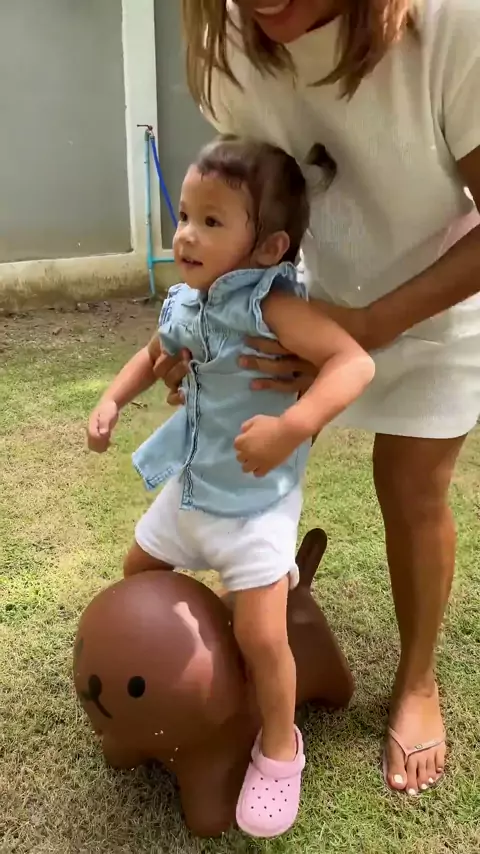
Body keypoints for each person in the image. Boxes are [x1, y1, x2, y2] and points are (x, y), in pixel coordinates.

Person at [158, 0, 480, 798]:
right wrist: (206, 334)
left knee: (412, 486)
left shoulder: (454, 25)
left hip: (435, 300)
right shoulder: (227, 39)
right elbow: (247, 206)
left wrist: (367, 326)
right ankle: (264, 610)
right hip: (298, 308)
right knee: (249, 461)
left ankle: (417, 680)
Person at [87, 137, 375, 838]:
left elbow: (353, 363)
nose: (186, 234)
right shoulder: (187, 301)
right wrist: (113, 399)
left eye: (211, 221)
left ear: (268, 247)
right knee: (137, 571)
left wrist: (290, 428)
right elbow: (152, 354)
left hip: (254, 504)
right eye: (186, 215)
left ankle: (279, 748)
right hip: (193, 488)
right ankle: (171, 688)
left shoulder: (270, 308)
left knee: (261, 634)